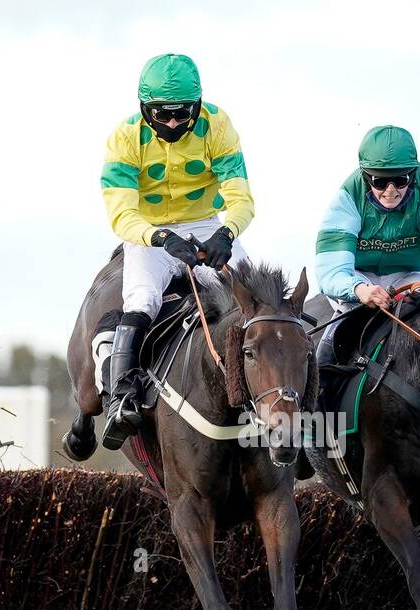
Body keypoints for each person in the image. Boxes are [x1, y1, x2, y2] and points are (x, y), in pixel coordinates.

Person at [96, 52, 255, 450]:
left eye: (182, 115)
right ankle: (121, 397)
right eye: (161, 115)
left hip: (205, 223)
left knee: (254, 298)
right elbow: (120, 214)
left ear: (197, 106)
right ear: (144, 110)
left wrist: (227, 233)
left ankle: (291, 399)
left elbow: (241, 198)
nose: (172, 124)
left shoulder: (218, 125)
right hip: (148, 232)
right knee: (143, 298)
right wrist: (162, 239)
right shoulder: (124, 138)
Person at [313, 125, 420, 355]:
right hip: (357, 278)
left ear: (414, 174)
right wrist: (359, 289)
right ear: (365, 176)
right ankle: (322, 381)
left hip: (407, 276)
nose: (390, 191)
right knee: (343, 325)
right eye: (380, 182)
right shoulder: (348, 195)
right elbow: (331, 270)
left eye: (401, 180)